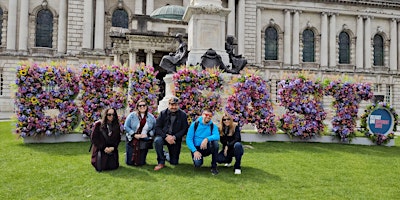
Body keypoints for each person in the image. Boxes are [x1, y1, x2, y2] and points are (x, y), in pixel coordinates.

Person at [153, 97, 189, 171]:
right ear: (169, 105)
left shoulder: (183, 115)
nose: (174, 107)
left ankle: (165, 154)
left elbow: (184, 129)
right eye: (172, 105)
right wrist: (166, 136)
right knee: (157, 141)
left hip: (175, 139)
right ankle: (161, 162)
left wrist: (174, 137)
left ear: (178, 105)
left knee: (174, 162)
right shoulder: (163, 113)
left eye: (175, 105)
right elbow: (157, 127)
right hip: (164, 137)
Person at [186, 109, 220, 175]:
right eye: (206, 115)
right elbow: (189, 139)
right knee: (198, 164)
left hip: (207, 147)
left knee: (215, 143)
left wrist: (206, 139)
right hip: (197, 148)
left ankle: (214, 167)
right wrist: (194, 151)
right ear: (202, 115)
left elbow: (217, 136)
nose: (208, 117)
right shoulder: (194, 124)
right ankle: (197, 160)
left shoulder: (212, 126)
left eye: (210, 115)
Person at [124, 99, 156, 166]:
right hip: (132, 139)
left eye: (144, 105)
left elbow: (155, 128)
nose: (142, 107)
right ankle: (128, 154)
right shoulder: (132, 115)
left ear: (146, 106)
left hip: (144, 139)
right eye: (140, 105)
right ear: (137, 107)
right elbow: (126, 126)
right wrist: (134, 134)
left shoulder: (151, 117)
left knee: (141, 163)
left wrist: (148, 134)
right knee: (129, 163)